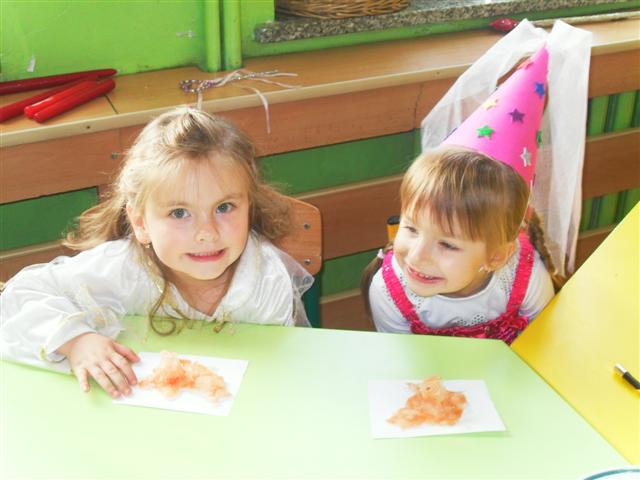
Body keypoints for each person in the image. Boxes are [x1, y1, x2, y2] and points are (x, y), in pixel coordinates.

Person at [1, 108, 313, 398]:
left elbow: (275, 377)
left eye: (224, 207)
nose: (207, 232)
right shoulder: (123, 267)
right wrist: (75, 341)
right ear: (140, 222)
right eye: (179, 213)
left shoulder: (265, 281)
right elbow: (19, 295)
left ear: (249, 206)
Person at [362, 46, 563, 344]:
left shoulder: (527, 279)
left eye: (447, 244)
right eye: (411, 229)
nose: (417, 256)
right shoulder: (388, 292)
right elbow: (401, 361)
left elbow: (541, 348)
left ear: (496, 256)